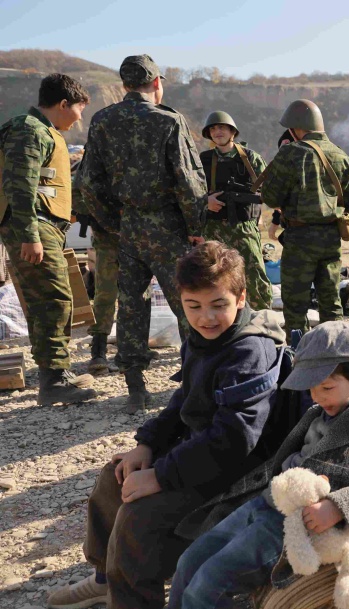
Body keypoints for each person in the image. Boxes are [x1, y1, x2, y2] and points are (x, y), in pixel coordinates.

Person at [128, 321, 349, 609]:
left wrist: (337, 507)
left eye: (326, 386)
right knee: (189, 562)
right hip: (271, 500)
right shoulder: (320, 410)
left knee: (211, 580)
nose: (317, 396)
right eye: (311, 388)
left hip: (305, 525)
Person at [53, 242, 287, 609]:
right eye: (194, 306)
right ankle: (106, 579)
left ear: (241, 298)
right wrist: (147, 445)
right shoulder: (203, 338)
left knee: (141, 513)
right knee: (114, 477)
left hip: (239, 472)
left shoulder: (248, 351)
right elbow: (185, 400)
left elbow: (235, 440)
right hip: (203, 451)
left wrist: (162, 475)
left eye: (218, 305)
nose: (206, 317)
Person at [78, 55, 208, 413]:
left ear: (124, 85)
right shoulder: (168, 120)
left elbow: (88, 181)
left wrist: (112, 221)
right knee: (187, 301)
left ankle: (135, 388)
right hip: (168, 226)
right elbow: (189, 180)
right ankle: (196, 385)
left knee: (132, 304)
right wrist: (195, 228)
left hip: (128, 225)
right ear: (156, 83)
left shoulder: (102, 120)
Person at [0, 73, 96, 405]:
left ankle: (56, 375)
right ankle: (53, 381)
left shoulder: (44, 131)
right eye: (80, 109)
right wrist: (29, 235)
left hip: (43, 227)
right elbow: (20, 185)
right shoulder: (30, 130)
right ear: (64, 103)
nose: (80, 118)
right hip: (33, 227)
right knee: (53, 300)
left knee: (52, 299)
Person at [260, 99, 349, 336]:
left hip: (299, 238)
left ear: (295, 128)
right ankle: (334, 347)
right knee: (331, 299)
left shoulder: (290, 153)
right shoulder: (340, 155)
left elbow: (271, 196)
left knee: (295, 302)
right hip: (331, 237)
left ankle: (299, 350)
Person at [199, 111, 274, 312]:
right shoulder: (203, 160)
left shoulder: (250, 158)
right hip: (213, 228)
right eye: (213, 129)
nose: (217, 132)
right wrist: (206, 202)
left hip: (244, 228)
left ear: (232, 131)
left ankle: (261, 318)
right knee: (214, 277)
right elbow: (189, 191)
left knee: (254, 275)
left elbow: (270, 189)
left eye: (222, 127)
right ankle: (221, 318)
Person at [73, 154, 120, 376]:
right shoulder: (96, 152)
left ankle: (134, 348)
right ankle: (98, 351)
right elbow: (76, 191)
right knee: (105, 293)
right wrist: (97, 216)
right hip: (107, 236)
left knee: (139, 294)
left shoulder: (137, 148)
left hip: (139, 234)